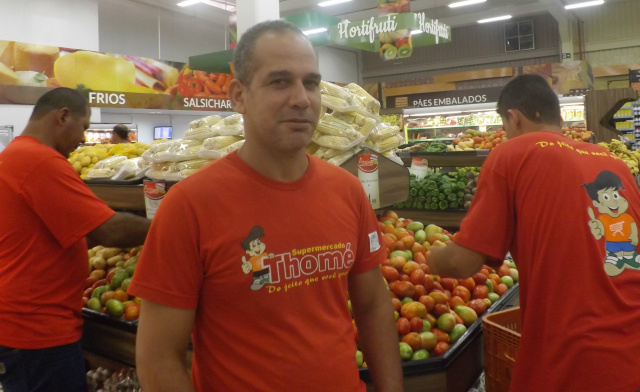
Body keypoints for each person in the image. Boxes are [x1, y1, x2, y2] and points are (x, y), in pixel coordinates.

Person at [128, 20, 403, 392]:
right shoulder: (189, 206)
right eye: (279, 81)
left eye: (311, 83)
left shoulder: (348, 191)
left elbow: (372, 307)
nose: (301, 99)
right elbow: (158, 357)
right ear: (239, 95)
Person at [427, 74, 640, 392]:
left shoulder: (511, 155)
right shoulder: (615, 164)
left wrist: (431, 258)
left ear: (514, 117)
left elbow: (462, 263)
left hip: (571, 362)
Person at [0, 88, 151, 392]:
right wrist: (174, 225)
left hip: (24, 326)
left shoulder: (14, 156)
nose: (83, 138)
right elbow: (108, 230)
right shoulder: (39, 161)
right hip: (38, 332)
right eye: (83, 127)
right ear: (63, 116)